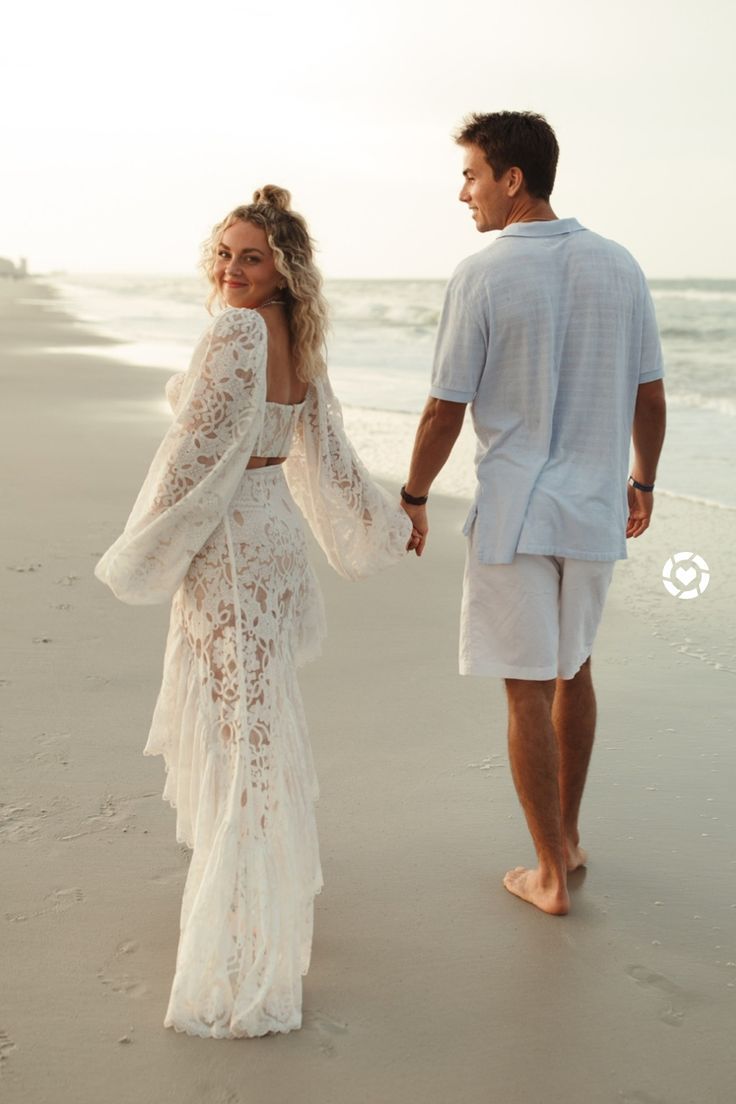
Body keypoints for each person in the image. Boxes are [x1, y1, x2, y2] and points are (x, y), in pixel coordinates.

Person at [95, 185, 415, 1037]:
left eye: (252, 257)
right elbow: (329, 457)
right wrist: (389, 521)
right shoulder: (297, 338)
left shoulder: (236, 330)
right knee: (258, 727)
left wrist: (142, 546)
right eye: (226, 253)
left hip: (230, 544)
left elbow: (193, 445)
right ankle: (256, 901)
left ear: (283, 271)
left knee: (242, 740)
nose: (231, 270)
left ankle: (242, 940)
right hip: (272, 536)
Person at [399, 111, 666, 916]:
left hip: (515, 512)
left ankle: (548, 873)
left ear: (512, 179)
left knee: (524, 691)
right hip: (591, 508)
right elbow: (649, 397)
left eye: (472, 175)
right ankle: (570, 840)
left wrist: (412, 496)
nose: (464, 193)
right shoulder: (620, 265)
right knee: (574, 669)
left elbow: (445, 409)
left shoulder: (482, 273)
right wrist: (642, 483)